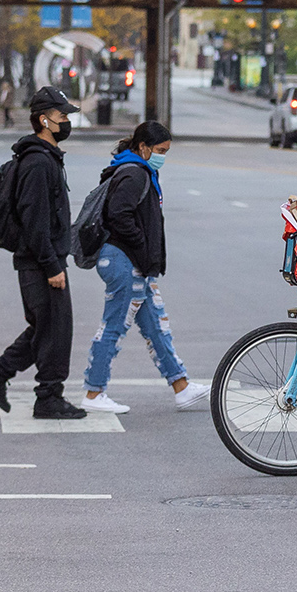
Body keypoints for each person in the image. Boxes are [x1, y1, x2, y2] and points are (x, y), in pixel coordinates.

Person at [78, 120, 212, 415]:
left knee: (156, 326)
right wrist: (142, 246)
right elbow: (119, 215)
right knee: (113, 326)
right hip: (125, 261)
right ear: (143, 147)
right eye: (160, 150)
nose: (163, 156)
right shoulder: (135, 173)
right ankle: (93, 392)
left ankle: (181, 387)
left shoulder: (135, 169)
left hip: (132, 262)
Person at [0, 86, 87, 420]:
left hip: (41, 259)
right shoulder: (38, 162)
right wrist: (51, 266)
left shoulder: (45, 157)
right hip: (40, 261)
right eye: (61, 115)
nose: (66, 121)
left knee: (46, 328)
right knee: (54, 331)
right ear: (44, 120)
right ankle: (48, 397)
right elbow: (35, 221)